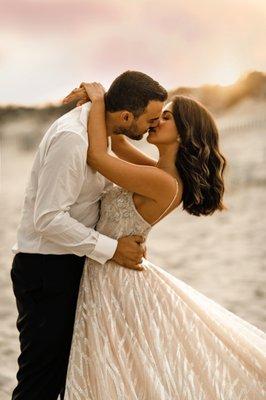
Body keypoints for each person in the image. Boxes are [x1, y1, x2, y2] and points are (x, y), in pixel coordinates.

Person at [63, 82, 266, 400]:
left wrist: (100, 99)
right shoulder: (160, 172)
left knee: (108, 368)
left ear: (184, 133)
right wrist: (116, 102)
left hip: (113, 276)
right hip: (112, 265)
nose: (157, 121)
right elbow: (117, 143)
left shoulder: (162, 181)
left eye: (167, 117)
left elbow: (97, 155)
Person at [10, 71, 168, 400]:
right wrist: (112, 249)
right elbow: (49, 218)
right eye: (151, 119)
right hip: (46, 269)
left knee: (68, 377)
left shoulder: (104, 134)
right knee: (40, 381)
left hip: (72, 264)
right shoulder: (73, 138)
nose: (152, 126)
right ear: (126, 116)